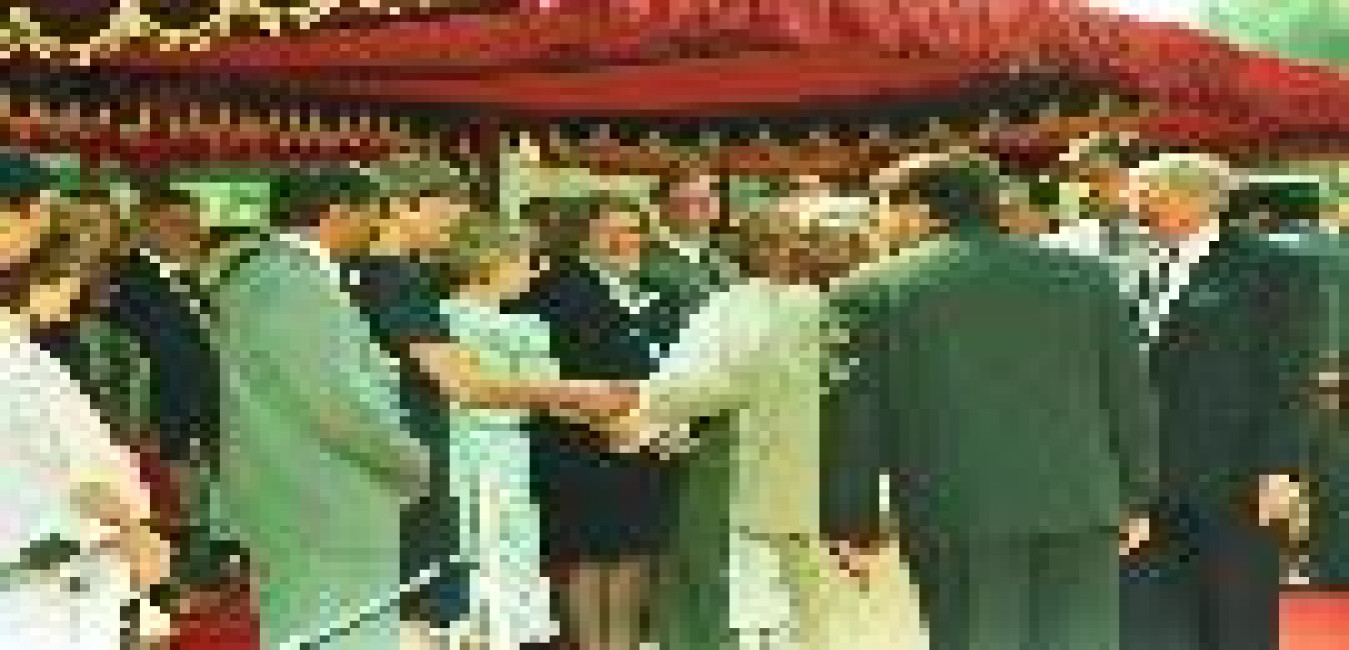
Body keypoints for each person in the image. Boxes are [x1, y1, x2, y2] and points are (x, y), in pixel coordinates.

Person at [822, 157, 1159, 650]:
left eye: (883, 206)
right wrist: (1137, 494)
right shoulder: (1090, 278)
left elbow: (854, 419)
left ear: (919, 210)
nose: (879, 219)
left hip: (957, 514)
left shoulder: (871, 292)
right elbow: (1129, 396)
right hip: (1082, 507)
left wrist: (851, 521)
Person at [202, 168, 429, 650]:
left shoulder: (280, 275)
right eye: (374, 214)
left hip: (312, 498)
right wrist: (409, 460)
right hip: (317, 500)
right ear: (339, 213)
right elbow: (338, 402)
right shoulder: (287, 281)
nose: (378, 227)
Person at [1120, 154, 1321, 650]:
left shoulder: (1275, 267)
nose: (1134, 208)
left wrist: (1282, 468)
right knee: (1153, 623)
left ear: (1195, 200)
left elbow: (1289, 373)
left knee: (1236, 621)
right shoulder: (1139, 267)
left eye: (1146, 196)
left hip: (1237, 481)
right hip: (1149, 481)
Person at [0, 152, 170, 650]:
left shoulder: (21, 352)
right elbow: (66, 478)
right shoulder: (14, 357)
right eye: (39, 211)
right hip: (33, 590)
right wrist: (127, 529)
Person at [504, 193, 685, 650]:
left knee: (635, 554)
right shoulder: (550, 292)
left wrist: (669, 423)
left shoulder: (663, 293)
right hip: (578, 443)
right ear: (583, 236)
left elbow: (679, 363)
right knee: (586, 556)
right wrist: (601, 420)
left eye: (632, 230)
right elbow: (542, 375)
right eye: (609, 231)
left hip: (647, 443)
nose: (623, 241)